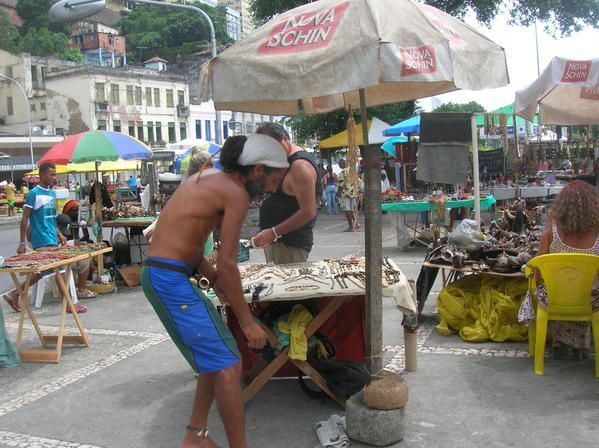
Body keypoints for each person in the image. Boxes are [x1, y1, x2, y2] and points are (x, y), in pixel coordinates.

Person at [141, 134, 288, 448]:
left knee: (215, 354)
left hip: (166, 274)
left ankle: (195, 436)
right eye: (273, 180)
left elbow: (191, 245)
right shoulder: (235, 193)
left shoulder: (205, 177)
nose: (272, 189)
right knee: (227, 362)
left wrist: (213, 280)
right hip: (167, 280)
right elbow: (229, 262)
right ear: (258, 169)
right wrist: (247, 321)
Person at [518, 181, 599, 360]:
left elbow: (538, 274)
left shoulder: (550, 233)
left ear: (562, 205)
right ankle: (580, 345)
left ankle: (559, 341)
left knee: (548, 290)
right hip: (590, 301)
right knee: (589, 290)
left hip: (554, 300)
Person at [2, 164, 93, 314]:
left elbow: (51, 219)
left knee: (46, 271)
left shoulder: (51, 194)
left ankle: (14, 294)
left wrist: (59, 234)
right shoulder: (34, 193)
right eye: (51, 174)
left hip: (52, 237)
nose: (54, 177)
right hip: (41, 238)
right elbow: (25, 217)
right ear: (42, 175)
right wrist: (22, 242)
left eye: (55, 174)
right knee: (59, 269)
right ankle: (69, 304)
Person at [253, 123, 321, 263]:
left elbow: (308, 212)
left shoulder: (300, 167)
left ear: (285, 138)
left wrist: (274, 232)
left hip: (290, 245)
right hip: (280, 243)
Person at [337, 158, 360, 231]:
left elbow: (341, 184)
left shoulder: (343, 172)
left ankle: (351, 226)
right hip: (353, 193)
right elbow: (358, 181)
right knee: (352, 210)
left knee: (347, 211)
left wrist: (338, 193)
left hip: (345, 193)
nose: (339, 165)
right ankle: (356, 224)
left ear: (344, 164)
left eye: (340, 163)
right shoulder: (352, 171)